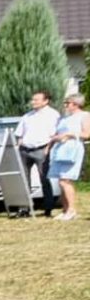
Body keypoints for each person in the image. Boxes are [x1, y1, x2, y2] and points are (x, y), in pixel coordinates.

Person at [15, 89, 61, 215]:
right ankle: (24, 208)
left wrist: (48, 149)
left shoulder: (53, 115)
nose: (33, 102)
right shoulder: (27, 116)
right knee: (24, 180)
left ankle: (48, 207)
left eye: (36, 100)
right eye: (33, 99)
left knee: (44, 179)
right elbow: (20, 134)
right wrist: (19, 146)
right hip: (25, 150)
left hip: (42, 149)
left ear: (45, 101)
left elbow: (55, 134)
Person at [50, 92, 84, 221]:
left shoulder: (84, 116)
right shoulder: (64, 118)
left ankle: (71, 209)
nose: (66, 106)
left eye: (68, 103)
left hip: (72, 148)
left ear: (76, 104)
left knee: (66, 180)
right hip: (60, 149)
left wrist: (69, 135)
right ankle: (65, 209)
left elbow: (87, 133)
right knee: (60, 180)